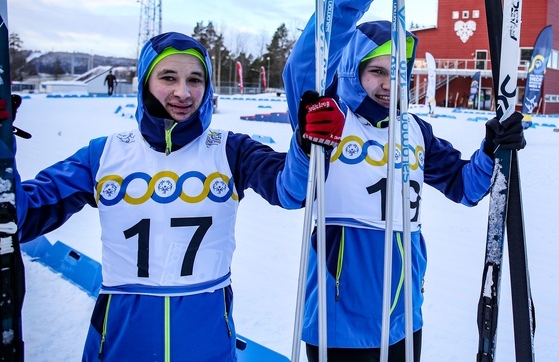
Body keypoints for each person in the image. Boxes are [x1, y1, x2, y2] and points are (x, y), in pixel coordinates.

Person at [7, 32, 339, 361]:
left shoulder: (231, 149)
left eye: (195, 80)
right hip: (122, 337)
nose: (183, 92)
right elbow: (20, 218)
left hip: (206, 339)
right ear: (145, 81)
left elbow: (292, 190)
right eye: (168, 77)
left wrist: (306, 148)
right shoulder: (104, 154)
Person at [286, 0, 526, 361]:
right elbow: (305, 61)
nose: (389, 83)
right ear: (354, 70)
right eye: (377, 70)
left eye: (399, 71)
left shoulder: (415, 130)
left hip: (404, 316)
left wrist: (492, 147)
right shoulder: (330, 118)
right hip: (338, 324)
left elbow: (466, 186)